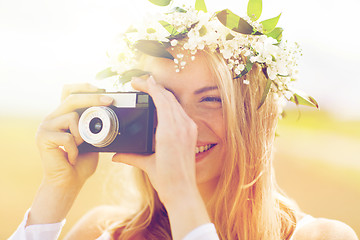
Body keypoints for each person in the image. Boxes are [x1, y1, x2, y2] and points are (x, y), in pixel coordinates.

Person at [8, 0, 359, 239]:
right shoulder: (102, 229)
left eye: (211, 99)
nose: (183, 124)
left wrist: (181, 197)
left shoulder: (321, 236)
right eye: (165, 99)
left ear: (256, 116)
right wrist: (55, 193)